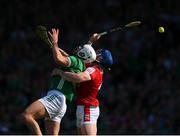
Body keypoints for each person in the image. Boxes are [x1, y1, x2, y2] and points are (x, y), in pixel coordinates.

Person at [21, 28, 100, 135]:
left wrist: (55, 42)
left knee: (27, 115)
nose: (78, 48)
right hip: (62, 104)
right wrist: (90, 41)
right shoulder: (81, 65)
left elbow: (59, 58)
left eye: (80, 48)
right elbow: (82, 54)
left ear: (82, 54)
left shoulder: (75, 60)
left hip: (56, 97)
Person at [52, 48, 113, 135]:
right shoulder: (94, 68)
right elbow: (77, 60)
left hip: (87, 108)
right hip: (83, 107)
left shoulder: (94, 70)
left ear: (100, 59)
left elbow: (80, 77)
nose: (96, 52)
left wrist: (60, 73)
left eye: (99, 53)